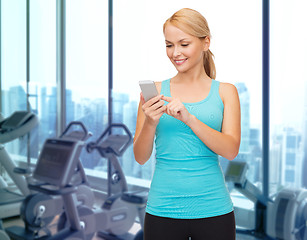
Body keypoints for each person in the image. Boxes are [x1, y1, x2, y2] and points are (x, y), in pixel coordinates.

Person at [133, 8, 241, 240]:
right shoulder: (155, 92)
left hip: (214, 211)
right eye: (169, 45)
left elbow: (231, 150)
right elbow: (140, 157)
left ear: (206, 43)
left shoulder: (225, 92)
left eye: (184, 44)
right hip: (162, 211)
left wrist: (189, 119)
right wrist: (150, 123)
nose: (175, 53)